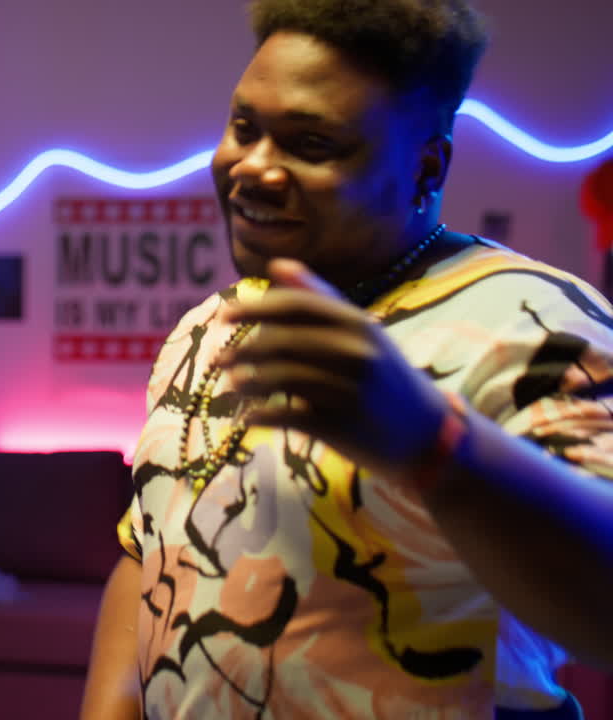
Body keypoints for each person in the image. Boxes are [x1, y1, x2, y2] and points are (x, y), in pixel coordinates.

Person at [80, 1, 613, 718]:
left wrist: (436, 444)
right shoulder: (207, 328)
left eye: (311, 143)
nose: (253, 168)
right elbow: (147, 549)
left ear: (428, 164)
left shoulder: (538, 323)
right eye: (245, 127)